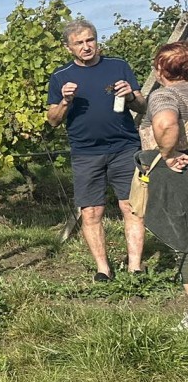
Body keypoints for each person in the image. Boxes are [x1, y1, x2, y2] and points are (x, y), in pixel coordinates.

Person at [47, 19, 147, 281]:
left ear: (96, 40)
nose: (86, 46)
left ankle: (135, 267)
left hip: (124, 147)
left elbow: (142, 106)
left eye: (90, 40)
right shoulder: (60, 76)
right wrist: (65, 101)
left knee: (132, 207)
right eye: (79, 42)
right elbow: (53, 120)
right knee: (91, 212)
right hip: (86, 152)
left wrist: (131, 95)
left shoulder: (118, 66)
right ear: (68, 47)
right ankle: (103, 269)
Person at [145, 42, 188, 323]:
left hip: (181, 173)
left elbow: (165, 124)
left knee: (185, 240)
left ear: (161, 69)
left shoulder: (164, 95)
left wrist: (168, 154)